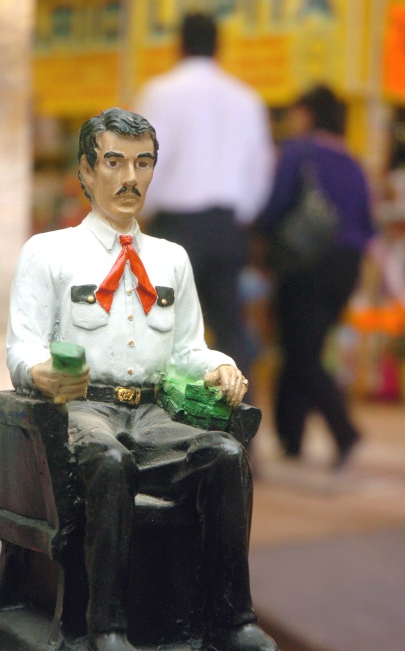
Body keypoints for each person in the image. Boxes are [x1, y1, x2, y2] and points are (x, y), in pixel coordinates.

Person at [6, 107, 278, 651]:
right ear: (86, 171)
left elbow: (188, 349)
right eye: (114, 162)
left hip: (153, 413)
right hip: (85, 410)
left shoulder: (171, 259)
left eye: (143, 163)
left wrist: (221, 365)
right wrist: (42, 374)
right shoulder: (48, 253)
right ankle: (104, 627)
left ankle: (230, 621)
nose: (130, 178)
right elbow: (21, 348)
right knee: (108, 461)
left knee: (225, 456)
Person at [134, 12, 275, 377]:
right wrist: (240, 217)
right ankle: (239, 411)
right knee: (229, 328)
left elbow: (147, 160)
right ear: (218, 48)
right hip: (226, 227)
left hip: (174, 227)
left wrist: (140, 211)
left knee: (160, 326)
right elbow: (260, 169)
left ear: (179, 46)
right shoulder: (246, 98)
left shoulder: (160, 92)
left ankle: (158, 412)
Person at [256, 86, 377, 468]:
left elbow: (275, 206)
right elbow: (369, 226)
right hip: (347, 267)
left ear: (307, 114)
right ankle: (291, 439)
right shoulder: (353, 163)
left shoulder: (298, 152)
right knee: (302, 346)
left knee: (302, 352)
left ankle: (345, 431)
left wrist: (258, 238)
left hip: (306, 265)